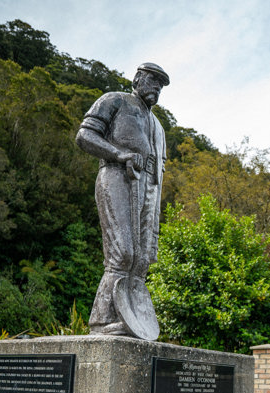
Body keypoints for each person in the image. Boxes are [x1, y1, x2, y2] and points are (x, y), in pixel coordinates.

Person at [76, 62, 169, 339]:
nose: (156, 88)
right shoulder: (115, 100)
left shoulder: (158, 127)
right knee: (123, 252)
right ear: (137, 78)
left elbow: (159, 170)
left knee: (142, 259)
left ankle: (130, 320)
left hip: (149, 188)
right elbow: (85, 135)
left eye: (160, 86)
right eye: (152, 81)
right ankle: (102, 321)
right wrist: (118, 154)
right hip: (117, 176)